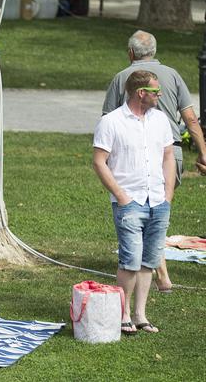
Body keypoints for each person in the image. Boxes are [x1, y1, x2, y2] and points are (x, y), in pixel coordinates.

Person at [102, 30, 206, 293]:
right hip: (173, 154)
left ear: (130, 53)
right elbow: (191, 119)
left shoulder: (120, 78)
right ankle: (160, 275)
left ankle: (157, 273)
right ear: (154, 52)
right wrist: (203, 153)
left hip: (140, 158)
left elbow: (107, 120)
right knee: (154, 215)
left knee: (147, 216)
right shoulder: (173, 75)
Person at [93, 70, 175, 334]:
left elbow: (168, 157)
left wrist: (168, 195)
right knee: (130, 259)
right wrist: (121, 196)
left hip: (158, 201)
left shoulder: (160, 120)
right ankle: (123, 313)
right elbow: (99, 161)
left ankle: (141, 315)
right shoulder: (112, 122)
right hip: (129, 202)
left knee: (148, 261)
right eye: (155, 91)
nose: (159, 94)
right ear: (142, 93)